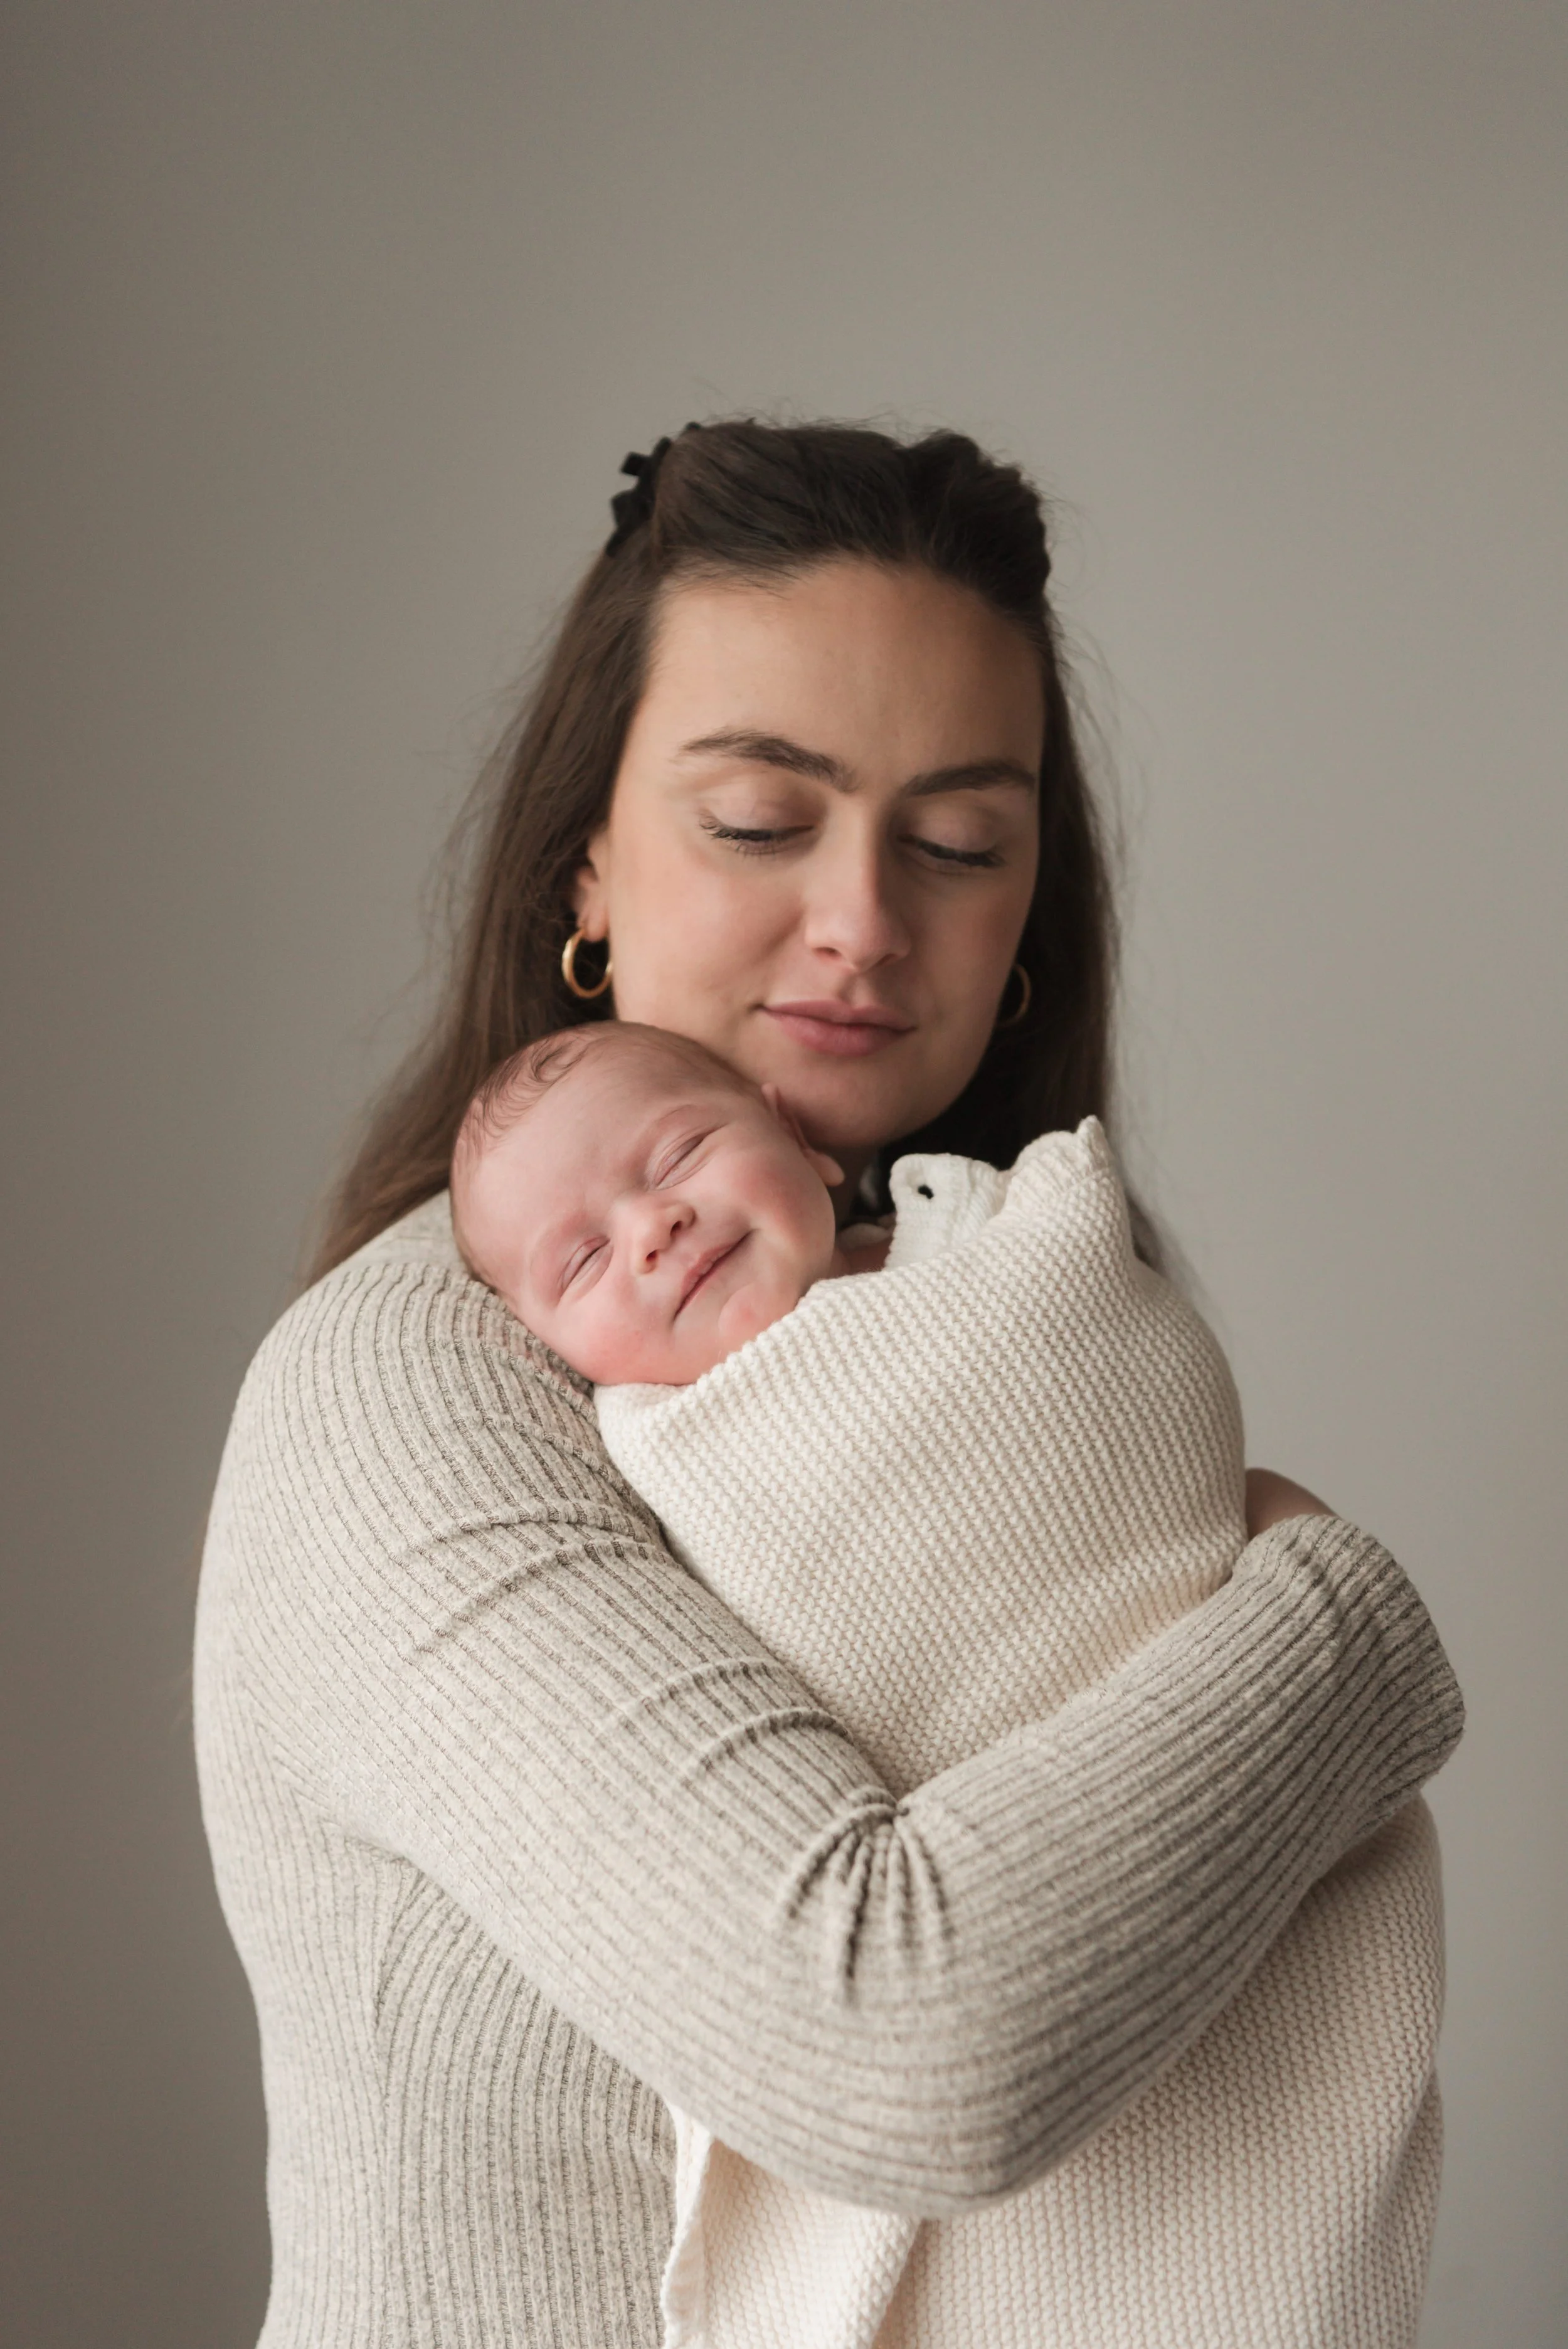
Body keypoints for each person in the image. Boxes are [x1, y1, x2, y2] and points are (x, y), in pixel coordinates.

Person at [194, 419, 1465, 2349]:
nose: (868, 921)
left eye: (960, 845)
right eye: (760, 822)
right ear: (588, 872)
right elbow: (898, 2041)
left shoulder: (982, 1328)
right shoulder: (403, 1390)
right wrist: (1341, 1631)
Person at [447, 1015, 1445, 2349]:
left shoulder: (999, 1246)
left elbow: (1139, 1388)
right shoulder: (641, 1462)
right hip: (993, 1992)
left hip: (1226, 1899)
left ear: (793, 1134)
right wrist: (1318, 1605)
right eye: (579, 1260)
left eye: (679, 1152)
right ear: (544, 1350)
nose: (651, 1228)